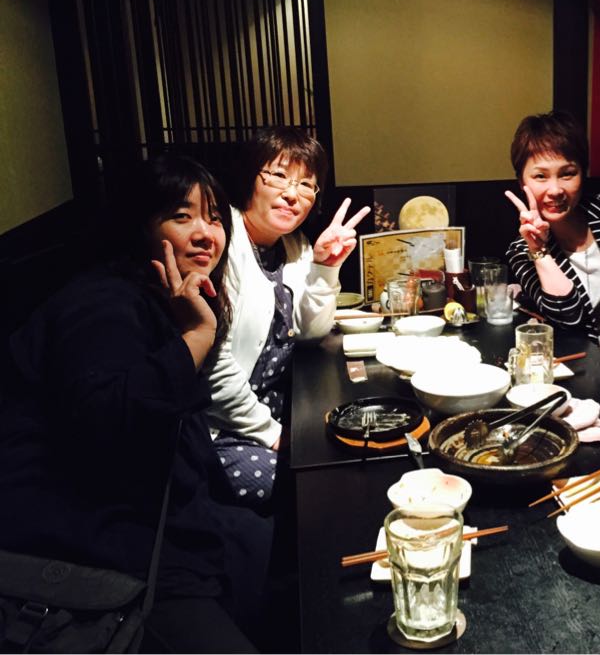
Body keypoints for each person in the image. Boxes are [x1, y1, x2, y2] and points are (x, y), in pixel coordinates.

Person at [0, 155, 270, 652]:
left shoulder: (163, 299)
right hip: (97, 553)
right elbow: (108, 424)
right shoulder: (100, 303)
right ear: (140, 227)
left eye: (214, 218)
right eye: (181, 216)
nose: (205, 234)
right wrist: (197, 335)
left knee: (281, 546)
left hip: (161, 522)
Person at [209, 126, 369, 506]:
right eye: (279, 176)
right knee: (314, 490)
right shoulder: (221, 241)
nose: (292, 194)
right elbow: (213, 366)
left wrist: (326, 268)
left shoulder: (295, 246)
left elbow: (312, 332)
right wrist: (273, 434)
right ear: (250, 178)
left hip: (281, 410)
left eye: (307, 185)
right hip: (222, 427)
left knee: (356, 453)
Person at [504, 110, 600, 364]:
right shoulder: (522, 250)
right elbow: (568, 318)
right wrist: (540, 251)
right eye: (540, 176)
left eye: (567, 173)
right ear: (522, 182)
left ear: (583, 173)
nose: (555, 190)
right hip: (586, 368)